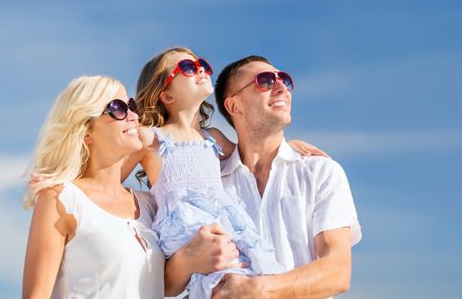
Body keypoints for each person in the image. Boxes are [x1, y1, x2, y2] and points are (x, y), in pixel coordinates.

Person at [125, 47, 325, 298]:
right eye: (187, 68)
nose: (199, 69)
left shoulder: (214, 137)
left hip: (224, 220)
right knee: (221, 279)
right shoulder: (150, 138)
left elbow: (254, 152)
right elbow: (109, 174)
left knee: (248, 271)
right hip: (186, 225)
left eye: (202, 65)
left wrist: (288, 146)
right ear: (166, 95)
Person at [207, 55, 361, 298]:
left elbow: (338, 271)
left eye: (284, 80)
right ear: (234, 106)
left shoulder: (321, 172)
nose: (281, 87)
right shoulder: (209, 184)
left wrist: (258, 289)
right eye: (265, 81)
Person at [22, 75, 164, 299]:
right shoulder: (61, 198)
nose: (133, 115)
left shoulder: (150, 205)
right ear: (86, 131)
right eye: (118, 108)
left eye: (132, 105)